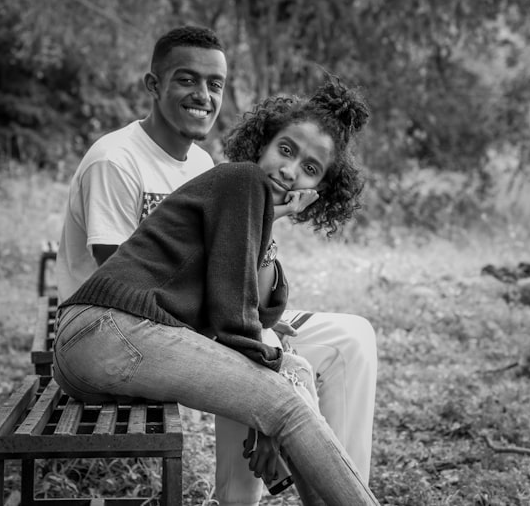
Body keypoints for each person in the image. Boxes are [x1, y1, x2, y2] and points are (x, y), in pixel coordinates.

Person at [54, 25, 377, 504]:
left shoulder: (212, 171)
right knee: (283, 395)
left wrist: (272, 369)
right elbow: (227, 317)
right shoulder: (234, 177)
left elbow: (248, 307)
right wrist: (267, 389)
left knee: (299, 373)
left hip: (130, 337)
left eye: (309, 169)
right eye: (285, 151)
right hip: (109, 330)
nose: (289, 171)